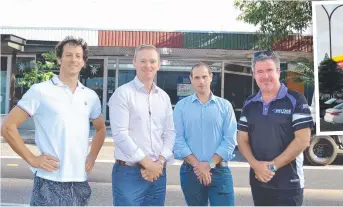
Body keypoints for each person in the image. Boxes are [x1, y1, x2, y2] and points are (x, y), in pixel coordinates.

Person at [1, 36, 106, 206]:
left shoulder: (90, 96)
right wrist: (32, 159)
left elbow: (100, 129)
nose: (74, 59)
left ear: (84, 62)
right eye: (68, 55)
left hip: (79, 182)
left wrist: (92, 155)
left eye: (78, 56)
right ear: (59, 59)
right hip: (49, 181)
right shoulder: (40, 91)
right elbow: (7, 127)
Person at [237, 51, 313, 206]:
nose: (265, 76)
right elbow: (242, 139)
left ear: (278, 72)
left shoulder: (296, 99)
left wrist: (272, 167)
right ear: (254, 74)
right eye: (260, 71)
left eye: (269, 70)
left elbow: (303, 140)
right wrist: (256, 165)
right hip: (259, 181)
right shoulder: (249, 103)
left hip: (289, 184)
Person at [108, 44, 175, 206]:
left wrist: (158, 163)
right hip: (129, 174)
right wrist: (147, 163)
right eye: (143, 61)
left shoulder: (163, 97)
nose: (148, 65)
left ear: (158, 65)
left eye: (152, 61)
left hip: (158, 173)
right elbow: (120, 135)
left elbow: (170, 133)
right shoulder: (123, 94)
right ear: (134, 63)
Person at [173, 62, 237, 206]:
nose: (201, 81)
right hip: (191, 172)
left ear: (211, 77)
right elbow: (178, 140)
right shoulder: (181, 107)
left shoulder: (225, 106)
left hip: (220, 171)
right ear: (191, 79)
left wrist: (209, 164)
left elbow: (230, 140)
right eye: (196, 77)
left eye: (204, 76)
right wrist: (198, 166)